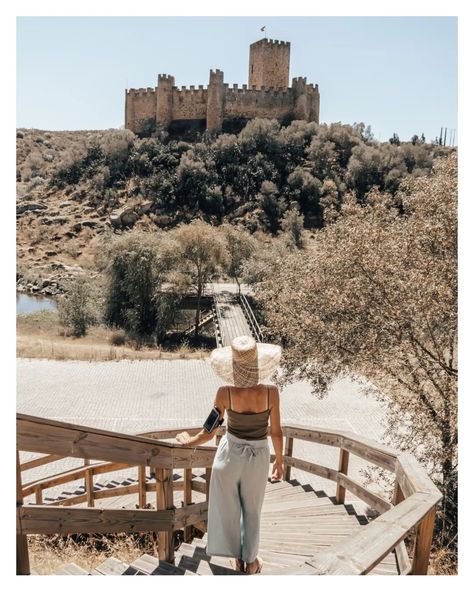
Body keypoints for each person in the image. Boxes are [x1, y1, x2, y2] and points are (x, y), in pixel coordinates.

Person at [176, 335, 283, 574]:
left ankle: (236, 557)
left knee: (229, 509)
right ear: (256, 365)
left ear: (234, 367)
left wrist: (189, 441)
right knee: (252, 510)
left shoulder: (225, 393)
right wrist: (280, 461)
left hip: (228, 458)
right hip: (257, 459)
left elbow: (208, 430)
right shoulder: (271, 393)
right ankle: (251, 562)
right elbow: (276, 432)